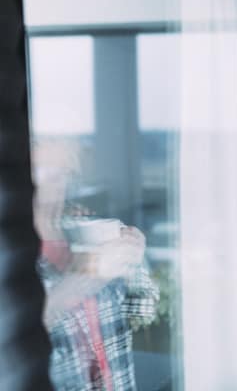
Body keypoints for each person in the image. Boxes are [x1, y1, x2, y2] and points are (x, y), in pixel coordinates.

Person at [32, 139, 159, 391]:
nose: (54, 183)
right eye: (44, 171)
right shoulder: (15, 258)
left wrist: (134, 258)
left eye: (62, 173)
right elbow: (33, 327)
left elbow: (144, 307)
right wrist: (93, 271)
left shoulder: (84, 233)